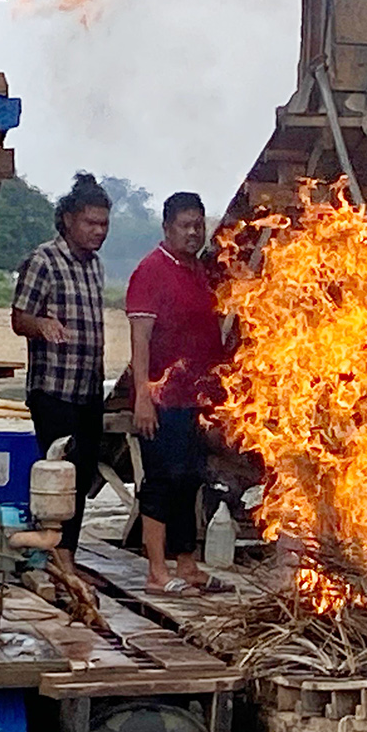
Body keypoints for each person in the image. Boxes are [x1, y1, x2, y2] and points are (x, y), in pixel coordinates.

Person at [125, 192, 229, 596]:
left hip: (196, 399)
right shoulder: (151, 271)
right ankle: (156, 572)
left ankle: (187, 566)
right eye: (184, 226)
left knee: (191, 481)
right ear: (167, 228)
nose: (192, 233)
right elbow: (140, 339)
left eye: (198, 225)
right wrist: (142, 396)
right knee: (161, 481)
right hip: (162, 399)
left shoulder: (199, 270)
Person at [12, 172, 111, 564]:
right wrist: (42, 324)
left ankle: (65, 554)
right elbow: (19, 319)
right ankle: (54, 559)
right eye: (91, 223)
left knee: (82, 474)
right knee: (58, 474)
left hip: (88, 389)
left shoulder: (96, 266)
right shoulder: (44, 260)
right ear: (68, 219)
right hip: (54, 389)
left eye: (104, 224)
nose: (98, 232)